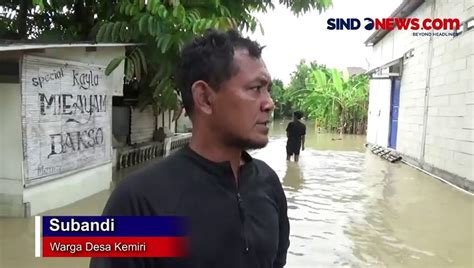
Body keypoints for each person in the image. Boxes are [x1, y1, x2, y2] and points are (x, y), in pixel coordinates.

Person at [90, 29, 289, 268]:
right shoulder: (140, 201)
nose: (269, 103)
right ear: (204, 98)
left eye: (268, 90)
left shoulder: (268, 183)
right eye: (256, 88)